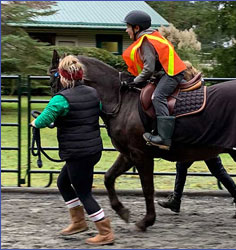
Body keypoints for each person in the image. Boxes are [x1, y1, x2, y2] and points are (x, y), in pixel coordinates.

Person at [31, 55, 115, 245]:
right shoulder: (93, 93)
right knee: (63, 182)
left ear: (63, 77)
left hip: (77, 152)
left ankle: (105, 232)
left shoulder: (61, 99)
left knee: (84, 192)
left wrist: (34, 122)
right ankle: (78, 222)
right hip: (92, 150)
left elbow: (43, 120)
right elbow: (95, 110)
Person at [122, 10, 187, 150]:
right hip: (168, 73)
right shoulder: (153, 36)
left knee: (158, 96)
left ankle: (164, 138)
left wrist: (135, 81)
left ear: (136, 28)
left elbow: (148, 69)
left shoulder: (146, 41)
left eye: (128, 27)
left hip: (172, 74)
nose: (126, 30)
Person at [158, 156, 236, 218]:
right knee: (217, 170)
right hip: (205, 141)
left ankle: (176, 201)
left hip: (201, 142)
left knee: (182, 164)